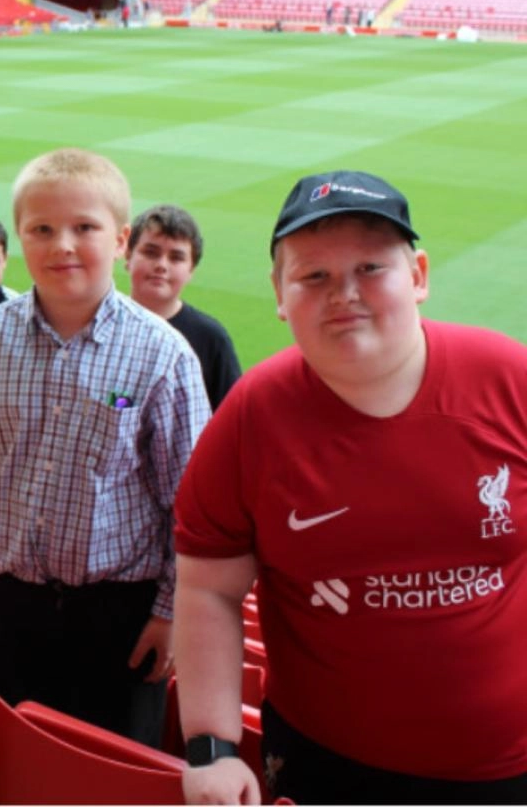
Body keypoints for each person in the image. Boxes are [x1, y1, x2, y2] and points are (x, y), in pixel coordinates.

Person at [174, 170, 527, 805]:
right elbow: (209, 590)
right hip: (324, 765)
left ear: (417, 276)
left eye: (370, 267)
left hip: (506, 769)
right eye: (314, 275)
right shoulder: (251, 416)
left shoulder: (509, 379)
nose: (345, 293)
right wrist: (211, 748)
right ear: (280, 293)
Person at [0, 147, 210, 746]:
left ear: (120, 239)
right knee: (25, 759)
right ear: (20, 239)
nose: (62, 245)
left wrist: (171, 611)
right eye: (42, 229)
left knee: (113, 770)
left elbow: (193, 506)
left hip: (124, 616)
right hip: (9, 605)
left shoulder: (162, 355)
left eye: (84, 227)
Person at [125, 205, 241, 410]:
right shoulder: (98, 325)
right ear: (128, 256)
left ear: (191, 270)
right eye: (151, 252)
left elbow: (233, 418)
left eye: (176, 257)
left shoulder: (210, 338)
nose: (161, 265)